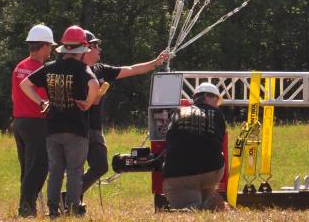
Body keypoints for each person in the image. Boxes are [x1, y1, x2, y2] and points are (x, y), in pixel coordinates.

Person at [20, 25, 100, 217]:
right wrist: (88, 103)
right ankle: (72, 209)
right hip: (76, 130)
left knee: (55, 171)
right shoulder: (82, 69)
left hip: (52, 128)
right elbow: (95, 84)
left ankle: (53, 210)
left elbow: (25, 84)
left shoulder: (50, 68)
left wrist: (41, 102)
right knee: (74, 171)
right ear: (81, 51)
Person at [79, 30, 171, 197]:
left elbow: (131, 69)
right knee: (74, 168)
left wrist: (156, 62)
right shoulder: (75, 71)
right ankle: (71, 202)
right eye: (96, 46)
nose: (99, 49)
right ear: (86, 48)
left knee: (101, 166)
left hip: (94, 128)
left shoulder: (100, 69)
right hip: (77, 129)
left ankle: (71, 196)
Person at [160, 82, 227, 210]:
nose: (217, 105)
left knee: (185, 209)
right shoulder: (217, 114)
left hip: (179, 173)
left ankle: (201, 206)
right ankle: (209, 203)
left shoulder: (178, 112)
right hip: (212, 171)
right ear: (207, 97)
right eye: (216, 100)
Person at [12, 24, 55, 218]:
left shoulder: (19, 67)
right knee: (40, 166)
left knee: (27, 167)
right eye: (50, 46)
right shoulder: (39, 71)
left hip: (19, 122)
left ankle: (28, 207)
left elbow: (15, 96)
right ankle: (26, 207)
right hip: (36, 122)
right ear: (44, 46)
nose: (51, 50)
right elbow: (45, 98)